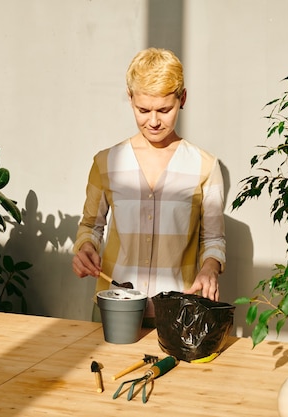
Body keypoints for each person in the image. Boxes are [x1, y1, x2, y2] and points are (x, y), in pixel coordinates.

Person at [72, 47, 226, 323]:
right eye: (143, 110)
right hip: (114, 307)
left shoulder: (205, 167)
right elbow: (91, 226)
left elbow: (213, 239)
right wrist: (85, 248)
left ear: (183, 99)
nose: (153, 121)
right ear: (130, 99)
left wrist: (210, 269)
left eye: (164, 110)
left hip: (179, 313)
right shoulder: (106, 162)